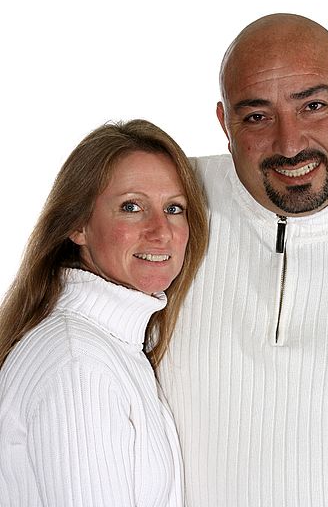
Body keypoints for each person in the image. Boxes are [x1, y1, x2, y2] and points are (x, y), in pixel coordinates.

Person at [158, 14, 328, 506]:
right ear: (226, 125)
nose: (290, 145)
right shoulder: (168, 209)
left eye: (313, 106)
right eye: (256, 117)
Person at [0, 119, 208, 506]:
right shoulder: (79, 364)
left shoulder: (113, 347)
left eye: (174, 208)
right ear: (78, 225)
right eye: (132, 207)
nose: (160, 231)